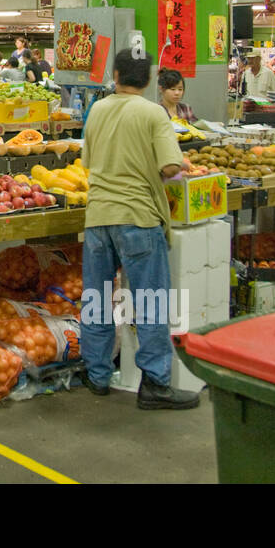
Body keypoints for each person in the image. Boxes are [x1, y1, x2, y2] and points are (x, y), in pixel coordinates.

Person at [80, 49, 197, 409]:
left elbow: (86, 161)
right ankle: (156, 385)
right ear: (149, 80)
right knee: (150, 302)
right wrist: (182, 166)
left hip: (98, 216)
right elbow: (167, 168)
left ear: (115, 74)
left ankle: (97, 376)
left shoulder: (97, 109)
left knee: (98, 300)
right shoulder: (152, 113)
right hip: (138, 217)